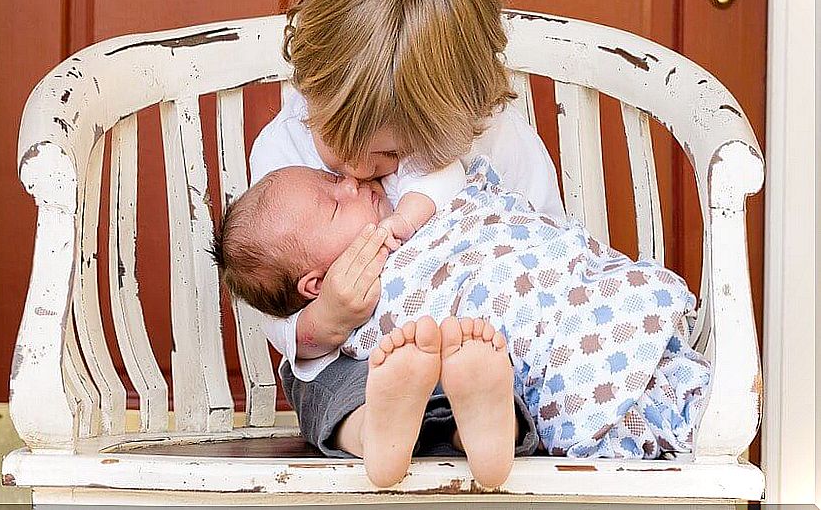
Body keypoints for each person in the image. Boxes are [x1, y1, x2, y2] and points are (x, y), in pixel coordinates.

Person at [243, 0, 564, 487]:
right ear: (310, 87)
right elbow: (277, 294)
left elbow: (546, 257)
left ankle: (485, 427)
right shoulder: (283, 149)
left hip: (481, 347)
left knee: (507, 378)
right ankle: (376, 430)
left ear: (462, 117)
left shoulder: (499, 142)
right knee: (318, 381)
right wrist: (327, 320)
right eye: (339, 147)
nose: (363, 172)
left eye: (394, 152)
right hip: (368, 361)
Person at [213, 159, 710, 485]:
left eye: (332, 179)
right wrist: (327, 318)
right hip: (429, 346)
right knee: (368, 364)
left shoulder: (407, 184)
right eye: (334, 201)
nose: (349, 181)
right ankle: (435, 426)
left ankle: (482, 422)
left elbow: (460, 187)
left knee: (463, 349)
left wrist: (405, 220)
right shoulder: (283, 161)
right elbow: (287, 333)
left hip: (534, 306)